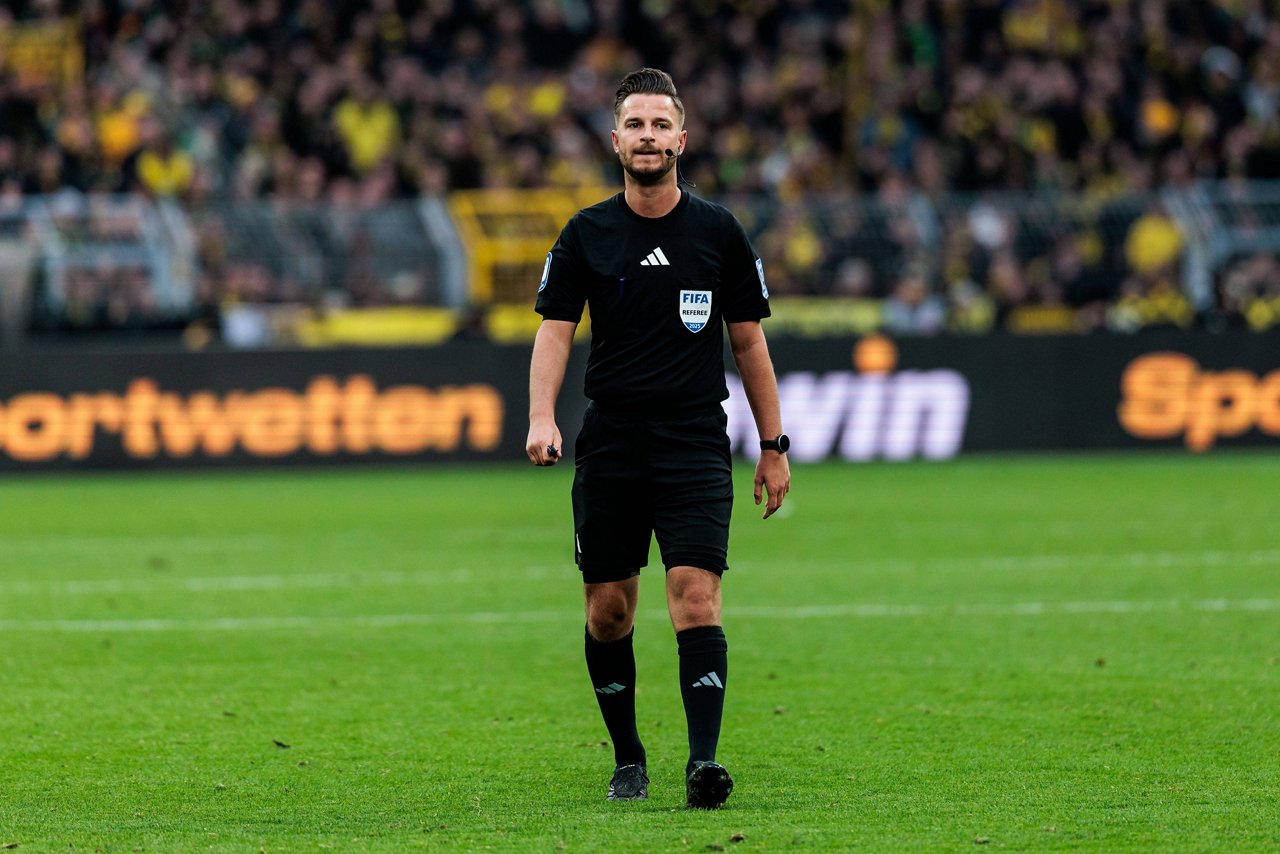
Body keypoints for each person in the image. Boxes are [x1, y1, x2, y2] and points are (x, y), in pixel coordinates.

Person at [525, 68, 791, 809]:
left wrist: (774, 444)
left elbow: (749, 343)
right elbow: (554, 332)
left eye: (660, 125)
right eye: (635, 125)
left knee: (695, 598)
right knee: (609, 609)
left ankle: (703, 762)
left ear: (682, 138)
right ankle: (629, 758)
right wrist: (542, 416)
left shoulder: (718, 232)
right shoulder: (585, 233)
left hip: (694, 440)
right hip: (612, 441)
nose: (648, 137)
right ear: (616, 141)